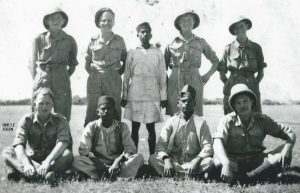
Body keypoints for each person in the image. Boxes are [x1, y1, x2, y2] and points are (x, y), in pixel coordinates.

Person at [213, 84, 296, 184]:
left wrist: (288, 147)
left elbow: (289, 133)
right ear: (234, 106)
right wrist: (226, 163)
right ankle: (263, 175)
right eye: (238, 103)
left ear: (251, 102)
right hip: (235, 163)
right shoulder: (227, 121)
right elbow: (217, 141)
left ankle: (247, 178)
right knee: (218, 162)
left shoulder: (263, 120)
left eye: (245, 101)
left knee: (281, 154)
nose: (242, 105)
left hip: (257, 161)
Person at [2, 88, 73, 184]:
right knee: (7, 152)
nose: (44, 106)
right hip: (33, 159)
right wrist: (27, 164)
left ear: (52, 104)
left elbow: (63, 142)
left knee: (67, 154)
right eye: (41, 103)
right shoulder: (27, 119)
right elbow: (19, 144)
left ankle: (27, 174)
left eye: (48, 103)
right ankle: (46, 175)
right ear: (35, 104)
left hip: (52, 160)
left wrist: (47, 161)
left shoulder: (61, 120)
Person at [121, 22, 167, 155]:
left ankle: (152, 158)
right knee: (134, 128)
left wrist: (163, 97)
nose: (145, 34)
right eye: (142, 31)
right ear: (137, 35)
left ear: (151, 34)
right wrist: (124, 96)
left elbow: (163, 75)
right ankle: (134, 158)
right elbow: (126, 75)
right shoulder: (132, 52)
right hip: (135, 95)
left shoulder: (157, 52)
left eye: (147, 31)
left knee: (150, 128)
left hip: (152, 95)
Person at [149, 85, 214, 179]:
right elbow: (160, 145)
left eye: (190, 100)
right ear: (178, 103)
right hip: (173, 163)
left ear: (194, 103)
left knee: (209, 162)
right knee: (152, 159)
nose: (186, 103)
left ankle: (175, 175)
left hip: (193, 164)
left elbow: (208, 146)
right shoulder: (171, 121)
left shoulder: (201, 123)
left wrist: (196, 161)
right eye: (183, 101)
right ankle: (189, 175)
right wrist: (167, 160)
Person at [73, 96, 144, 180]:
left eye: (109, 108)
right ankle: (116, 176)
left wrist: (117, 161)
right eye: (103, 109)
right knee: (76, 160)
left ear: (114, 111)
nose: (106, 111)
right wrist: (99, 163)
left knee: (139, 158)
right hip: (97, 163)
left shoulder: (122, 127)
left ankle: (102, 175)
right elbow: (84, 150)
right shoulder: (91, 126)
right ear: (98, 112)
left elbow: (130, 149)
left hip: (119, 164)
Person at [165, 9, 219, 116]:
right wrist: (168, 83)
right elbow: (162, 68)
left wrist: (207, 76)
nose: (186, 22)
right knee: (175, 117)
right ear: (179, 23)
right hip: (175, 82)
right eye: (183, 20)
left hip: (194, 81)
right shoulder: (171, 44)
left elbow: (216, 61)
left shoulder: (201, 42)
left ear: (193, 23)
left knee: (195, 116)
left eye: (189, 20)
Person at [29, 7, 78, 121]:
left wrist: (62, 75)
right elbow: (32, 62)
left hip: (62, 79)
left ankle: (63, 139)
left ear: (64, 21)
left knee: (63, 115)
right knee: (38, 115)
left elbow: (73, 64)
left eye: (58, 18)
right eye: (52, 19)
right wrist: (39, 77)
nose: (55, 21)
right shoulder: (38, 39)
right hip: (42, 79)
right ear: (47, 21)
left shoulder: (70, 40)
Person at [84, 8, 127, 126]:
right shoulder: (92, 41)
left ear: (113, 22)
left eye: (110, 20)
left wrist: (116, 74)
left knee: (115, 110)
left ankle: (116, 141)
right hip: (95, 80)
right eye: (103, 20)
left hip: (113, 79)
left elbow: (125, 60)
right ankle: (90, 142)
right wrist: (95, 75)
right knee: (92, 110)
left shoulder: (120, 40)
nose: (107, 23)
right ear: (98, 22)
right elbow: (87, 63)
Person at [219, 16, 267, 115]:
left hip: (251, 86)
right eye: (236, 28)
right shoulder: (227, 49)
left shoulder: (256, 48)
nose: (239, 29)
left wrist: (252, 83)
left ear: (247, 27)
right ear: (233, 31)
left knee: (255, 117)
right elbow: (222, 74)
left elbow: (261, 73)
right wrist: (230, 83)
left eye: (241, 26)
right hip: (233, 85)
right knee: (231, 118)